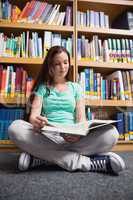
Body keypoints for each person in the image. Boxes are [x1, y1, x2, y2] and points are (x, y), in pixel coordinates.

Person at [8, 46, 125, 175]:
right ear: (50, 67)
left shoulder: (76, 88)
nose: (63, 67)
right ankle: (89, 163)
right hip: (48, 137)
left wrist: (79, 133)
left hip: (74, 139)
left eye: (65, 62)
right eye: (57, 64)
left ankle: (43, 158)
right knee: (14, 128)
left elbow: (81, 119)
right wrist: (37, 122)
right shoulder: (42, 88)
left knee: (112, 133)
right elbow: (34, 116)